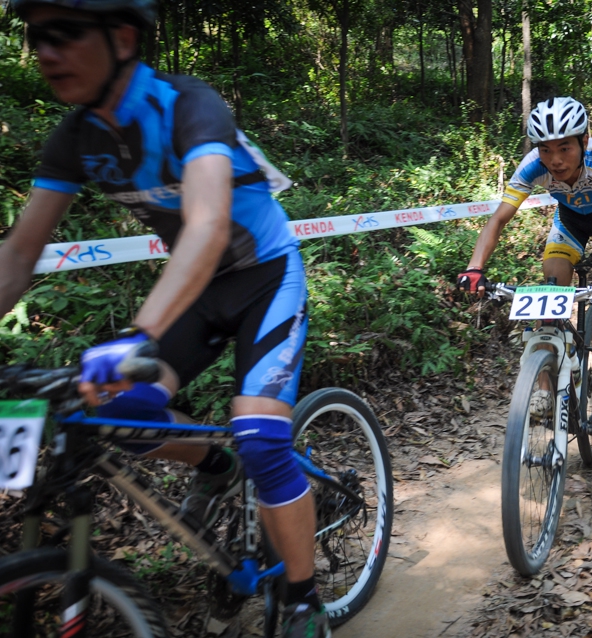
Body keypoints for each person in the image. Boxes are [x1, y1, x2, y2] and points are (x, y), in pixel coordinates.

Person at [0, 1, 330, 635]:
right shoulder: (76, 138)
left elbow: (207, 226)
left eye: (65, 33)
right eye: (35, 36)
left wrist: (139, 335)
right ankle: (214, 465)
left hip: (265, 278)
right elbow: (19, 252)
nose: (45, 51)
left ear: (122, 37)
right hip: (200, 289)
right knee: (118, 418)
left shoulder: (187, 105)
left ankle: (303, 598)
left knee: (261, 436)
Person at [457, 97, 592, 438]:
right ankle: (546, 384)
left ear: (584, 141)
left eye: (564, 148)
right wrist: (475, 267)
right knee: (550, 290)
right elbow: (499, 219)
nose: (555, 160)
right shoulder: (533, 165)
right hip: (570, 222)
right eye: (545, 150)